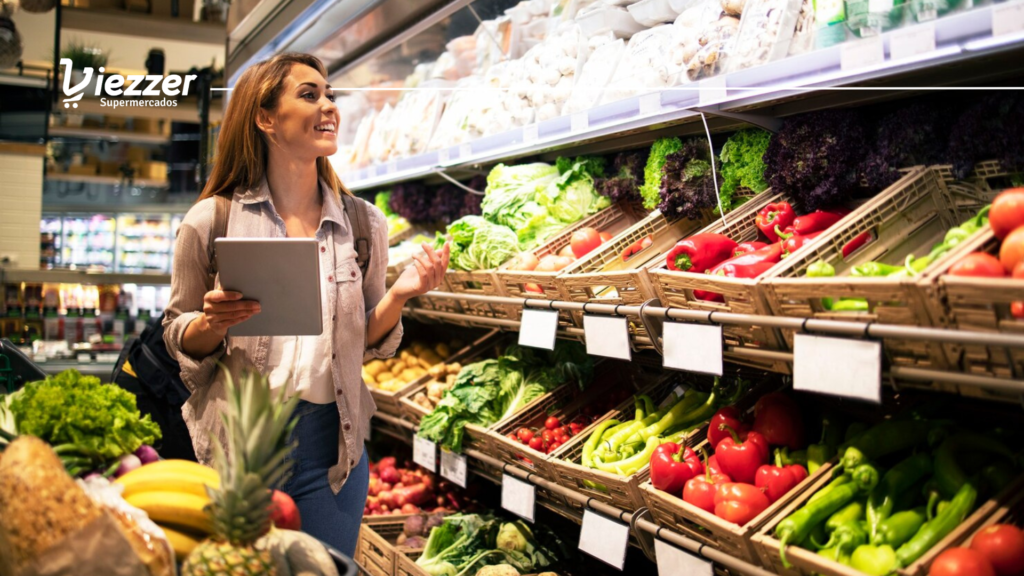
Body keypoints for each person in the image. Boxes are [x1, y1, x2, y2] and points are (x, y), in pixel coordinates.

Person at [162, 52, 449, 555]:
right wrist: (211, 323)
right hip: (241, 447)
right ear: (265, 117)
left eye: (330, 95)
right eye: (310, 94)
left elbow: (364, 346)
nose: (329, 106)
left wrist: (401, 295)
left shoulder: (363, 224)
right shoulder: (212, 220)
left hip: (332, 450)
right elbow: (175, 332)